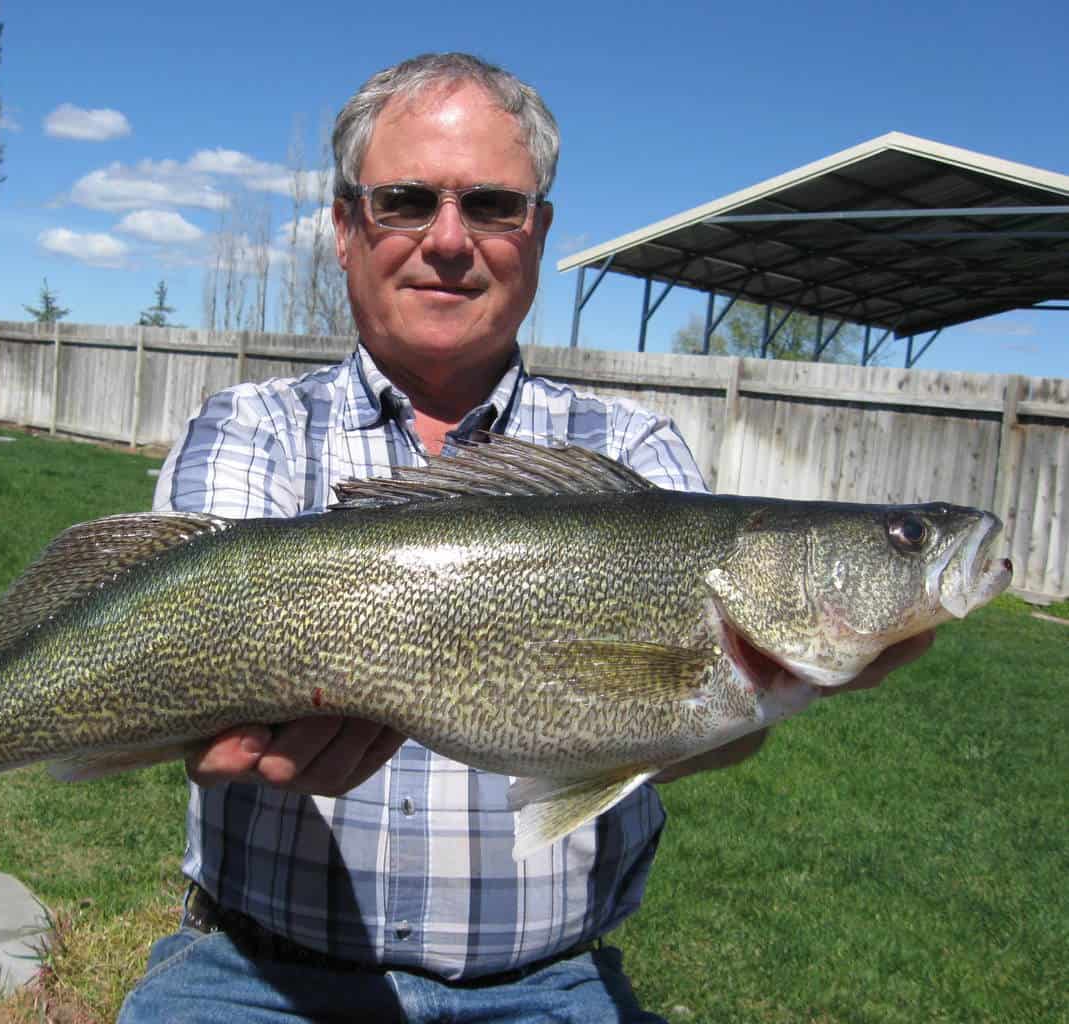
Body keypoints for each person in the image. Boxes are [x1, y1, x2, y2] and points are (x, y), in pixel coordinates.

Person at [119, 52, 932, 1024]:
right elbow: (174, 653)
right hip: (258, 976)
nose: (449, 240)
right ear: (344, 229)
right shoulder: (248, 430)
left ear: (538, 233)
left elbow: (692, 731)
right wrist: (213, 717)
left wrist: (761, 681)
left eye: (495, 206)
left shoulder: (632, 449)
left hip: (549, 990)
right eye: (406, 200)